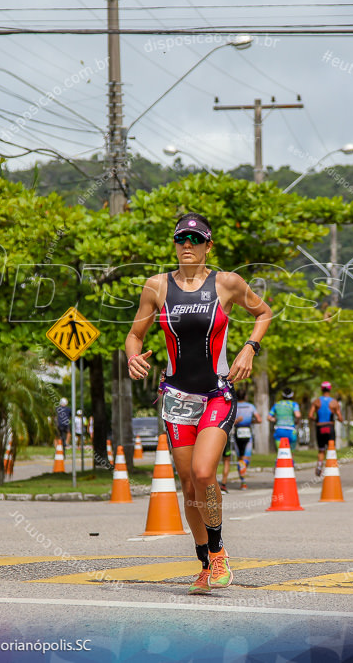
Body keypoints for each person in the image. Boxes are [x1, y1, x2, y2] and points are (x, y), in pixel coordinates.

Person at [126, 212, 271, 595]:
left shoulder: (227, 283)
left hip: (216, 393)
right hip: (176, 397)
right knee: (188, 484)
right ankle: (204, 561)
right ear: (174, 245)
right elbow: (134, 334)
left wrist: (249, 348)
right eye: (180, 239)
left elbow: (263, 313)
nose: (186, 245)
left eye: (195, 239)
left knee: (205, 472)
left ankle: (219, 549)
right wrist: (133, 356)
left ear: (209, 245)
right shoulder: (156, 287)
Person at [309, 381, 343, 477]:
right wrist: (336, 418)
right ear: (330, 389)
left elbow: (310, 415)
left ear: (321, 389)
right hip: (329, 426)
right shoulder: (334, 402)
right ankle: (331, 467)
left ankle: (320, 464)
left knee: (321, 449)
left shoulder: (316, 401)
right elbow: (340, 418)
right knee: (331, 448)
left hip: (320, 426)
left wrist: (316, 420)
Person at [232, 388, 261, 490]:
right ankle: (243, 470)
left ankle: (243, 482)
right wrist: (251, 421)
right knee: (246, 458)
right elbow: (259, 419)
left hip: (237, 432)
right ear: (245, 396)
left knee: (240, 458)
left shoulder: (233, 406)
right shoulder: (250, 406)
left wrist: (237, 421)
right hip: (247, 432)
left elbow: (230, 421)